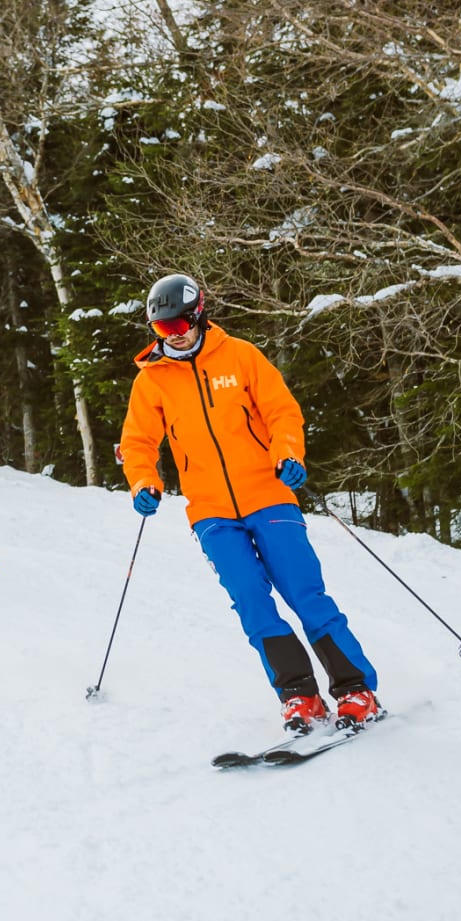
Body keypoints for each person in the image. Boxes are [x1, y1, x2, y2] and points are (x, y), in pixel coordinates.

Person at [117, 273, 382, 734]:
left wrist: (288, 454)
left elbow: (282, 412)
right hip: (211, 511)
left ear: (198, 316)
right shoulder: (152, 380)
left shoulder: (241, 356)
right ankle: (299, 697)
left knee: (305, 595)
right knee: (251, 603)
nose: (172, 338)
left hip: (269, 495)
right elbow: (138, 442)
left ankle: (355, 689)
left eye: (178, 328)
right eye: (162, 331)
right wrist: (143, 481)